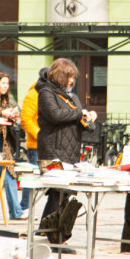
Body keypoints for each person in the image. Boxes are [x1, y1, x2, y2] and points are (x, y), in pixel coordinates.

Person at [36, 58, 96, 247]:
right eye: (70, 77)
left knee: (62, 194)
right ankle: (55, 239)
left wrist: (88, 119)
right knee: (58, 193)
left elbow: (86, 124)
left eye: (73, 78)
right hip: (52, 150)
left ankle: (49, 235)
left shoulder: (71, 96)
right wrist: (79, 113)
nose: (72, 81)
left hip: (70, 152)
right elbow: (54, 115)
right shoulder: (46, 92)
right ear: (60, 75)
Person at [0, 72, 26, 220]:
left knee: (9, 174)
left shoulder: (5, 100)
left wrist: (12, 117)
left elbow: (7, 122)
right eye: (2, 83)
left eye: (7, 83)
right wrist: (0, 118)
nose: (5, 86)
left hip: (4, 142)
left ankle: (15, 211)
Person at [19, 67, 45, 212]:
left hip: (46, 144)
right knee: (32, 178)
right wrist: (40, 135)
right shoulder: (33, 94)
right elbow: (26, 120)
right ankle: (25, 207)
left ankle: (27, 207)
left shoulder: (48, 93)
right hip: (36, 144)